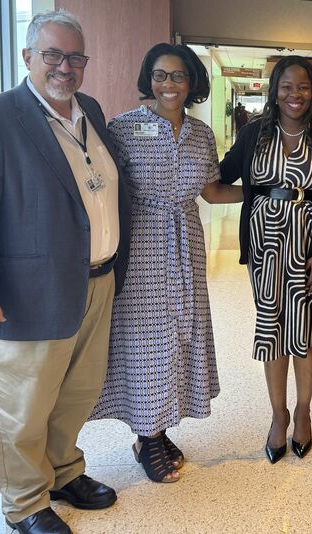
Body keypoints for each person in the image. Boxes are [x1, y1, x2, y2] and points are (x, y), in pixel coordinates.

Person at [0, 10, 131, 534]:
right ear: (28, 58)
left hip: (96, 281)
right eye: (53, 55)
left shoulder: (88, 110)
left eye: (76, 57)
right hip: (25, 293)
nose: (65, 67)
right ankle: (24, 502)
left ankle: (64, 471)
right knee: (22, 407)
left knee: (77, 393)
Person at [89, 43, 241, 483]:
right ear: (147, 79)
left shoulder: (201, 135)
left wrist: (262, 189)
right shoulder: (122, 129)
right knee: (144, 343)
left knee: (178, 336)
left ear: (192, 82)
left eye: (177, 76)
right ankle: (147, 435)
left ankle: (157, 428)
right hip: (141, 249)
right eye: (159, 75)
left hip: (186, 247)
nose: (168, 84)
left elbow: (211, 192)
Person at [219, 56, 312, 463]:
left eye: (304, 87)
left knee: (304, 333)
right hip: (264, 246)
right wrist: (261, 193)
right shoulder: (254, 133)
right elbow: (221, 175)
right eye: (288, 86)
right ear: (275, 90)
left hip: (310, 245)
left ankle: (305, 410)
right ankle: (279, 415)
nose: (296, 95)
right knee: (271, 329)